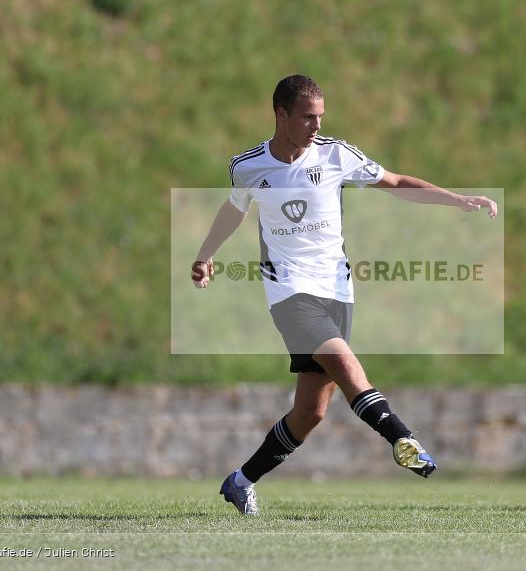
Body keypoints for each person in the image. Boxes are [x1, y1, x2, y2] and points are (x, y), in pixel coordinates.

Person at [193, 75, 498, 516]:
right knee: (346, 363)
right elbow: (234, 209)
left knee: (311, 413)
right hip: (289, 291)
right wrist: (206, 255)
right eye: (307, 117)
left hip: (336, 288)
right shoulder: (249, 166)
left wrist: (456, 200)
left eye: (321, 116)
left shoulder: (337, 154)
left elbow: (393, 182)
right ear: (281, 114)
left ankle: (240, 481)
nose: (317, 124)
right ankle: (402, 438)